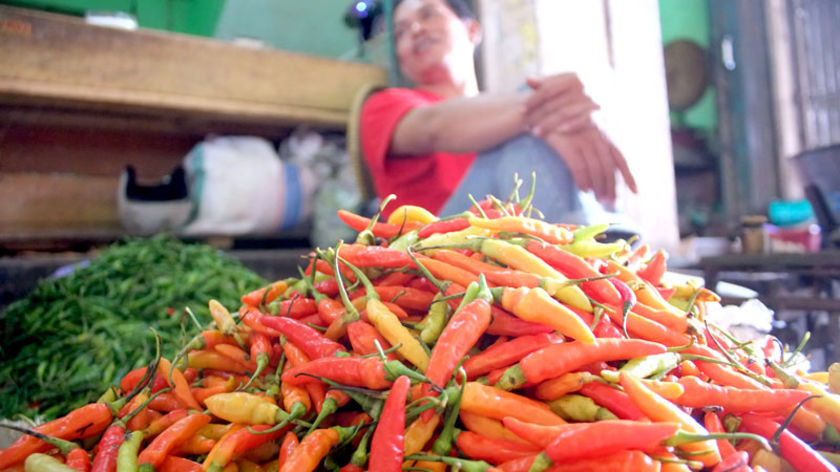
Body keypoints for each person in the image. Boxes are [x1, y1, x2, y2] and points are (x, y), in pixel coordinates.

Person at [360, 0, 638, 223]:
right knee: (533, 121)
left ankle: (593, 234)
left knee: (535, 117)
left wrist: (548, 109)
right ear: (401, 56)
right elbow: (433, 127)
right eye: (401, 32)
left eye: (429, 14)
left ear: (472, 31)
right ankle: (591, 257)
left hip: (513, 238)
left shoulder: (507, 109)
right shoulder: (383, 104)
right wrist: (545, 106)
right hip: (437, 254)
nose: (416, 30)